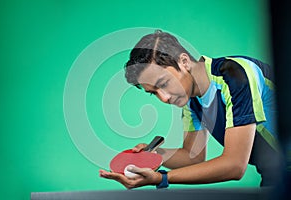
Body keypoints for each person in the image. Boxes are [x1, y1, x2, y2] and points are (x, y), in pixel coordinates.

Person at [99, 30, 283, 189]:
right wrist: (154, 156)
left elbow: (234, 165)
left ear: (184, 62)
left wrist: (162, 178)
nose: (164, 98)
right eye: (153, 93)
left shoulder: (236, 75)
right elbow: (192, 156)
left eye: (163, 83)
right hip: (275, 178)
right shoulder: (190, 100)